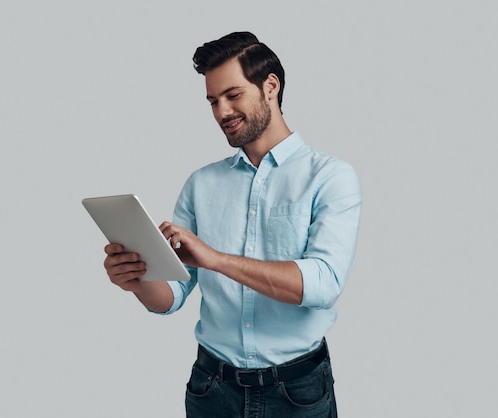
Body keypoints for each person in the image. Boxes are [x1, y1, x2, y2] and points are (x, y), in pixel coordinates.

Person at [103, 31, 361, 418]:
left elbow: (323, 284)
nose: (222, 111)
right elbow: (172, 296)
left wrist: (216, 260)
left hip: (297, 393)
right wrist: (137, 280)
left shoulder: (331, 177)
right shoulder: (201, 183)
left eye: (233, 95)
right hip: (211, 389)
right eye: (212, 101)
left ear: (270, 86)